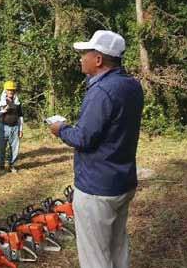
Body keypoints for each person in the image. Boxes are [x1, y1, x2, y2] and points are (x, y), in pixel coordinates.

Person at [49, 30, 143, 268]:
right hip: (122, 181)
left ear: (99, 59)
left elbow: (83, 138)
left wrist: (60, 129)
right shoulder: (132, 85)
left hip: (97, 188)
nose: (81, 58)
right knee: (117, 246)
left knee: (95, 258)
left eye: (85, 53)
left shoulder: (101, 91)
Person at [0, 80, 23, 173]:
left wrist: (21, 129)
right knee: (1, 147)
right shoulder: (1, 101)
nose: (10, 92)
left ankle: (12, 165)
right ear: (5, 91)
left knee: (14, 148)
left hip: (15, 128)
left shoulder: (17, 102)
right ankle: (1, 166)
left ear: (14, 91)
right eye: (9, 90)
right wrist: (3, 111)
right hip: (4, 127)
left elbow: (20, 116)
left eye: (12, 90)